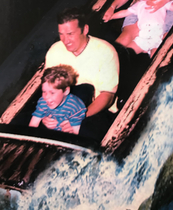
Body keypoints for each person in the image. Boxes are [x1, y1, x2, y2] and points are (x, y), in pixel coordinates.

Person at [43, 7, 120, 140]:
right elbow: (48, 89)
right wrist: (45, 115)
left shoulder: (105, 51)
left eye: (70, 34)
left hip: (95, 111)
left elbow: (107, 96)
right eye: (61, 34)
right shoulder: (55, 51)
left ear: (85, 30)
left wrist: (78, 118)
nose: (65, 40)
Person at [107, 0, 173, 57]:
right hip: (143, 37)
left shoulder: (162, 2)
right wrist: (111, 16)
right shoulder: (139, 5)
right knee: (124, 55)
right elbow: (125, 12)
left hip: (157, 35)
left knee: (157, 58)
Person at [29, 65, 87, 135]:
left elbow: (76, 133)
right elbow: (32, 126)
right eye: (44, 91)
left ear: (66, 91)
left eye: (52, 93)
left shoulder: (75, 106)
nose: (46, 97)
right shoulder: (43, 101)